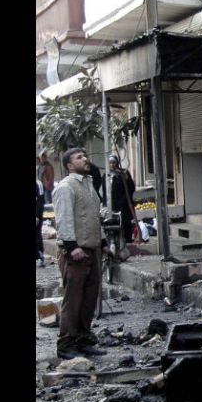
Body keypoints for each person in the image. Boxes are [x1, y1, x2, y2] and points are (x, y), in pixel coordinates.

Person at [53, 147, 110, 359]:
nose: (85, 159)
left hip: (91, 248)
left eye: (85, 155)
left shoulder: (87, 184)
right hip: (75, 251)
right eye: (79, 157)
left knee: (89, 298)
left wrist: (103, 241)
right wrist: (71, 246)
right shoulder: (66, 187)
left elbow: (93, 216)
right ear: (69, 165)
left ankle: (84, 339)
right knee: (73, 299)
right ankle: (66, 344)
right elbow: (64, 219)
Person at [108, 155, 136, 243]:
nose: (112, 165)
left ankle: (127, 241)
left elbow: (131, 188)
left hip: (124, 204)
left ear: (117, 163)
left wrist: (126, 178)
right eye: (110, 163)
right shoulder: (107, 175)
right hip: (112, 204)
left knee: (125, 222)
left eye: (114, 162)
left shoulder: (123, 173)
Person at [36, 179, 45, 267]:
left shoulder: (38, 183)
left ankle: (40, 256)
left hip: (36, 214)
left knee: (37, 235)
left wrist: (37, 216)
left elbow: (41, 200)